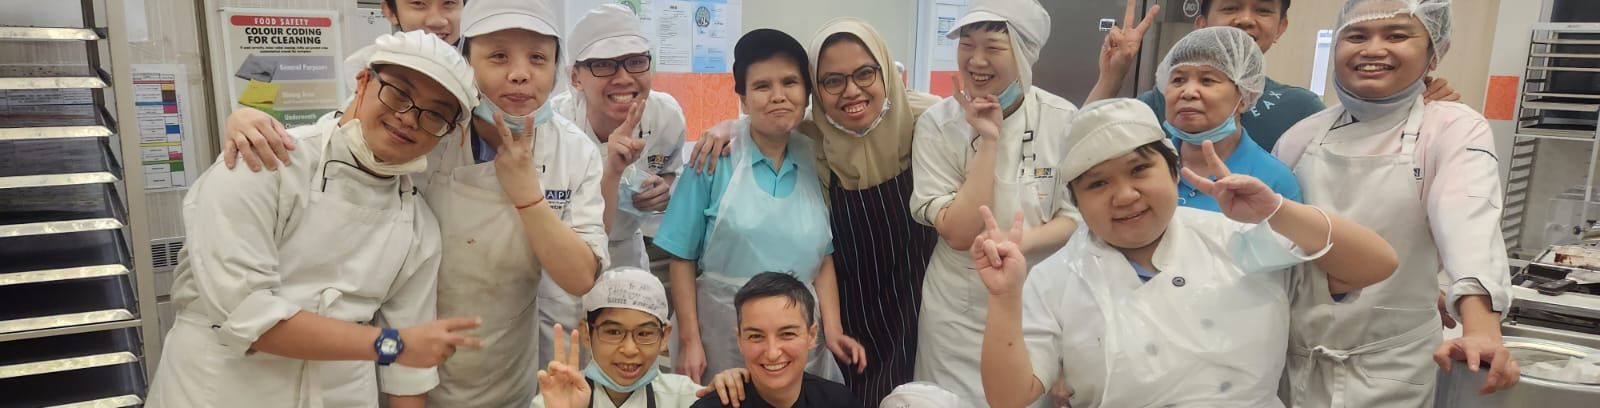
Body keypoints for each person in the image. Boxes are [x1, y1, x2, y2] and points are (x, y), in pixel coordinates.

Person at [975, 98, 1399, 407]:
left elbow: (1377, 264)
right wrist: (1004, 297)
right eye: (1098, 183)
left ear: (1175, 171)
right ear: (1077, 202)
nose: (1125, 195)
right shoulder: (1058, 277)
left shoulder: (1238, 240)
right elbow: (1009, 397)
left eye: (1140, 169)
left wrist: (1279, 211)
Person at [146, 31, 483, 408]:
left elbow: (409, 373)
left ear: (447, 133)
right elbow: (248, 317)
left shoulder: (418, 224)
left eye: (435, 114)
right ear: (363, 81)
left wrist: (400, 348)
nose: (408, 118)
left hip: (341, 393)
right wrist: (392, 345)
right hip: (220, 388)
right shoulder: (264, 163)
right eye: (398, 93)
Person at [684, 18, 942, 406]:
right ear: (817, 93)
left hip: (914, 298)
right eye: (832, 80)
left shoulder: (929, 122)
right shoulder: (812, 137)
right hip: (847, 304)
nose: (851, 90)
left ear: (886, 72)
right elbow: (765, 122)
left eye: (865, 73)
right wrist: (731, 128)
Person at [1273, 0, 1518, 405]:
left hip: (1391, 369)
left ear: (1434, 52)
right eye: (1356, 36)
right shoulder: (1302, 136)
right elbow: (1275, 243)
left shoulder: (1452, 127)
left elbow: (1468, 222)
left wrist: (1481, 329)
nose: (1373, 49)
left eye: (1397, 35)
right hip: (1294, 360)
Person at [656, 28, 863, 386]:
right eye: (762, 86)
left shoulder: (816, 156)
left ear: (806, 93)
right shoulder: (712, 159)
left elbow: (823, 259)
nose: (778, 96)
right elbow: (682, 258)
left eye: (789, 82)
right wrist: (690, 341)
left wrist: (833, 330)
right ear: (743, 100)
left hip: (800, 339)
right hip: (722, 336)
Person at [428, 0, 610, 405]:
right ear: (466, 60)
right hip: (420, 364)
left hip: (511, 364)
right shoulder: (432, 134)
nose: (520, 74)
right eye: (498, 56)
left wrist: (528, 197)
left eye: (538, 58)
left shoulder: (573, 151)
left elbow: (581, 276)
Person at [908, 0, 1079, 403]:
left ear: (1024, 53)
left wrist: (1019, 243)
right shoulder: (938, 124)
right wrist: (988, 141)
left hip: (1036, 301)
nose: (976, 60)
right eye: (967, 45)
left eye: (993, 47)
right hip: (958, 310)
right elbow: (958, 233)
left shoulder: (1062, 119)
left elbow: (1075, 216)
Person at [535, 3, 690, 383]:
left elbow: (671, 171)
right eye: (604, 65)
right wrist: (612, 169)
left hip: (627, 255)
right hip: (564, 265)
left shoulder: (665, 116)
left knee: (631, 368)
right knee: (565, 370)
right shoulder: (553, 130)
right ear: (575, 77)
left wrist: (666, 189)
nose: (623, 77)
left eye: (635, 62)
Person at [1087, 0, 1460, 152]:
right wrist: (1112, 75)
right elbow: (1083, 148)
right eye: (1230, 7)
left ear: (1281, 27)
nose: (1246, 19)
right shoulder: (1163, 101)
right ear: (1201, 24)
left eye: (1263, 10)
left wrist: (1408, 104)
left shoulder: (1300, 109)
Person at [218, 0, 466, 172]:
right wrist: (245, 120)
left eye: (450, 3)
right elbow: (336, 132)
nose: (437, 20)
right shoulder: (375, 70)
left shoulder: (475, 80)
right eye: (418, 4)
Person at [1155, 26, 1301, 211]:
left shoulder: (1275, 181)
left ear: (1244, 96)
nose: (1188, 92)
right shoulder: (1145, 166)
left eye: (1207, 80)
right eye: (1178, 80)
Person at [531, 268, 704, 408]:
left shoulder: (687, 398)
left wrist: (722, 390)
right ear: (586, 333)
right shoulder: (554, 400)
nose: (629, 349)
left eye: (644, 333)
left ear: (664, 336)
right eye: (613, 332)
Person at [688, 272, 863, 408]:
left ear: (811, 335)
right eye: (756, 336)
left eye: (787, 334)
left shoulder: (838, 401)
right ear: (740, 340)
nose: (772, 353)